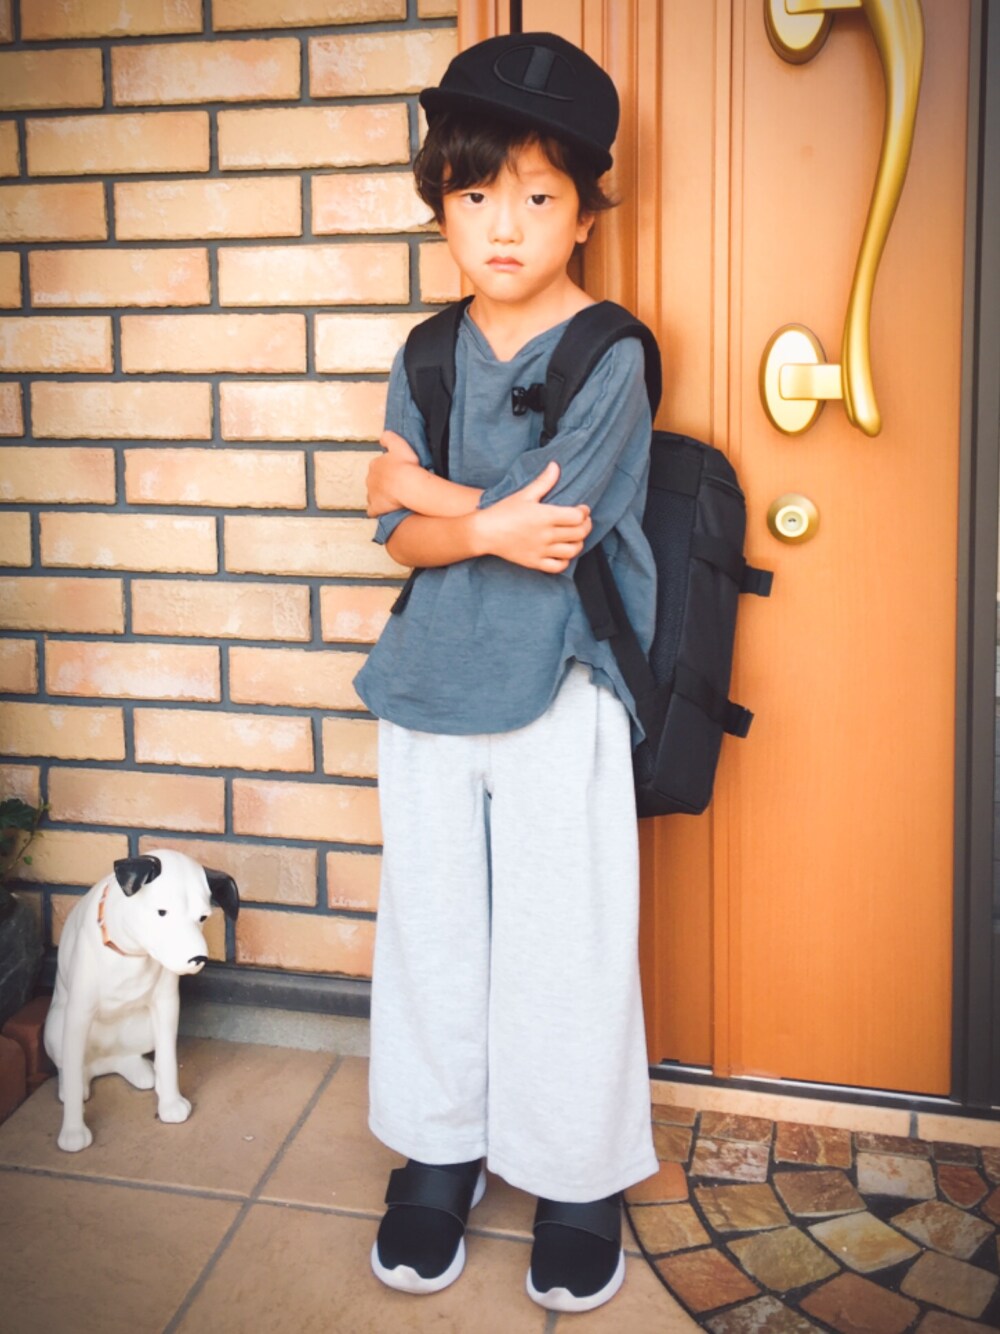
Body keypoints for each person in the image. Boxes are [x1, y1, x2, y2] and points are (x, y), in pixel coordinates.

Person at [353, 30, 658, 1315]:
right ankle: (441, 1147)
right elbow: (396, 537)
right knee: (433, 929)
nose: (504, 224)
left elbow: (553, 526)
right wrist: (449, 518)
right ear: (441, 204)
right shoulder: (427, 354)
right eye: (475, 193)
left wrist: (423, 492)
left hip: (559, 684)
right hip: (427, 687)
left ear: (586, 211)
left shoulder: (610, 353)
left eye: (538, 195)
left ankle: (576, 1172)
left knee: (562, 938)